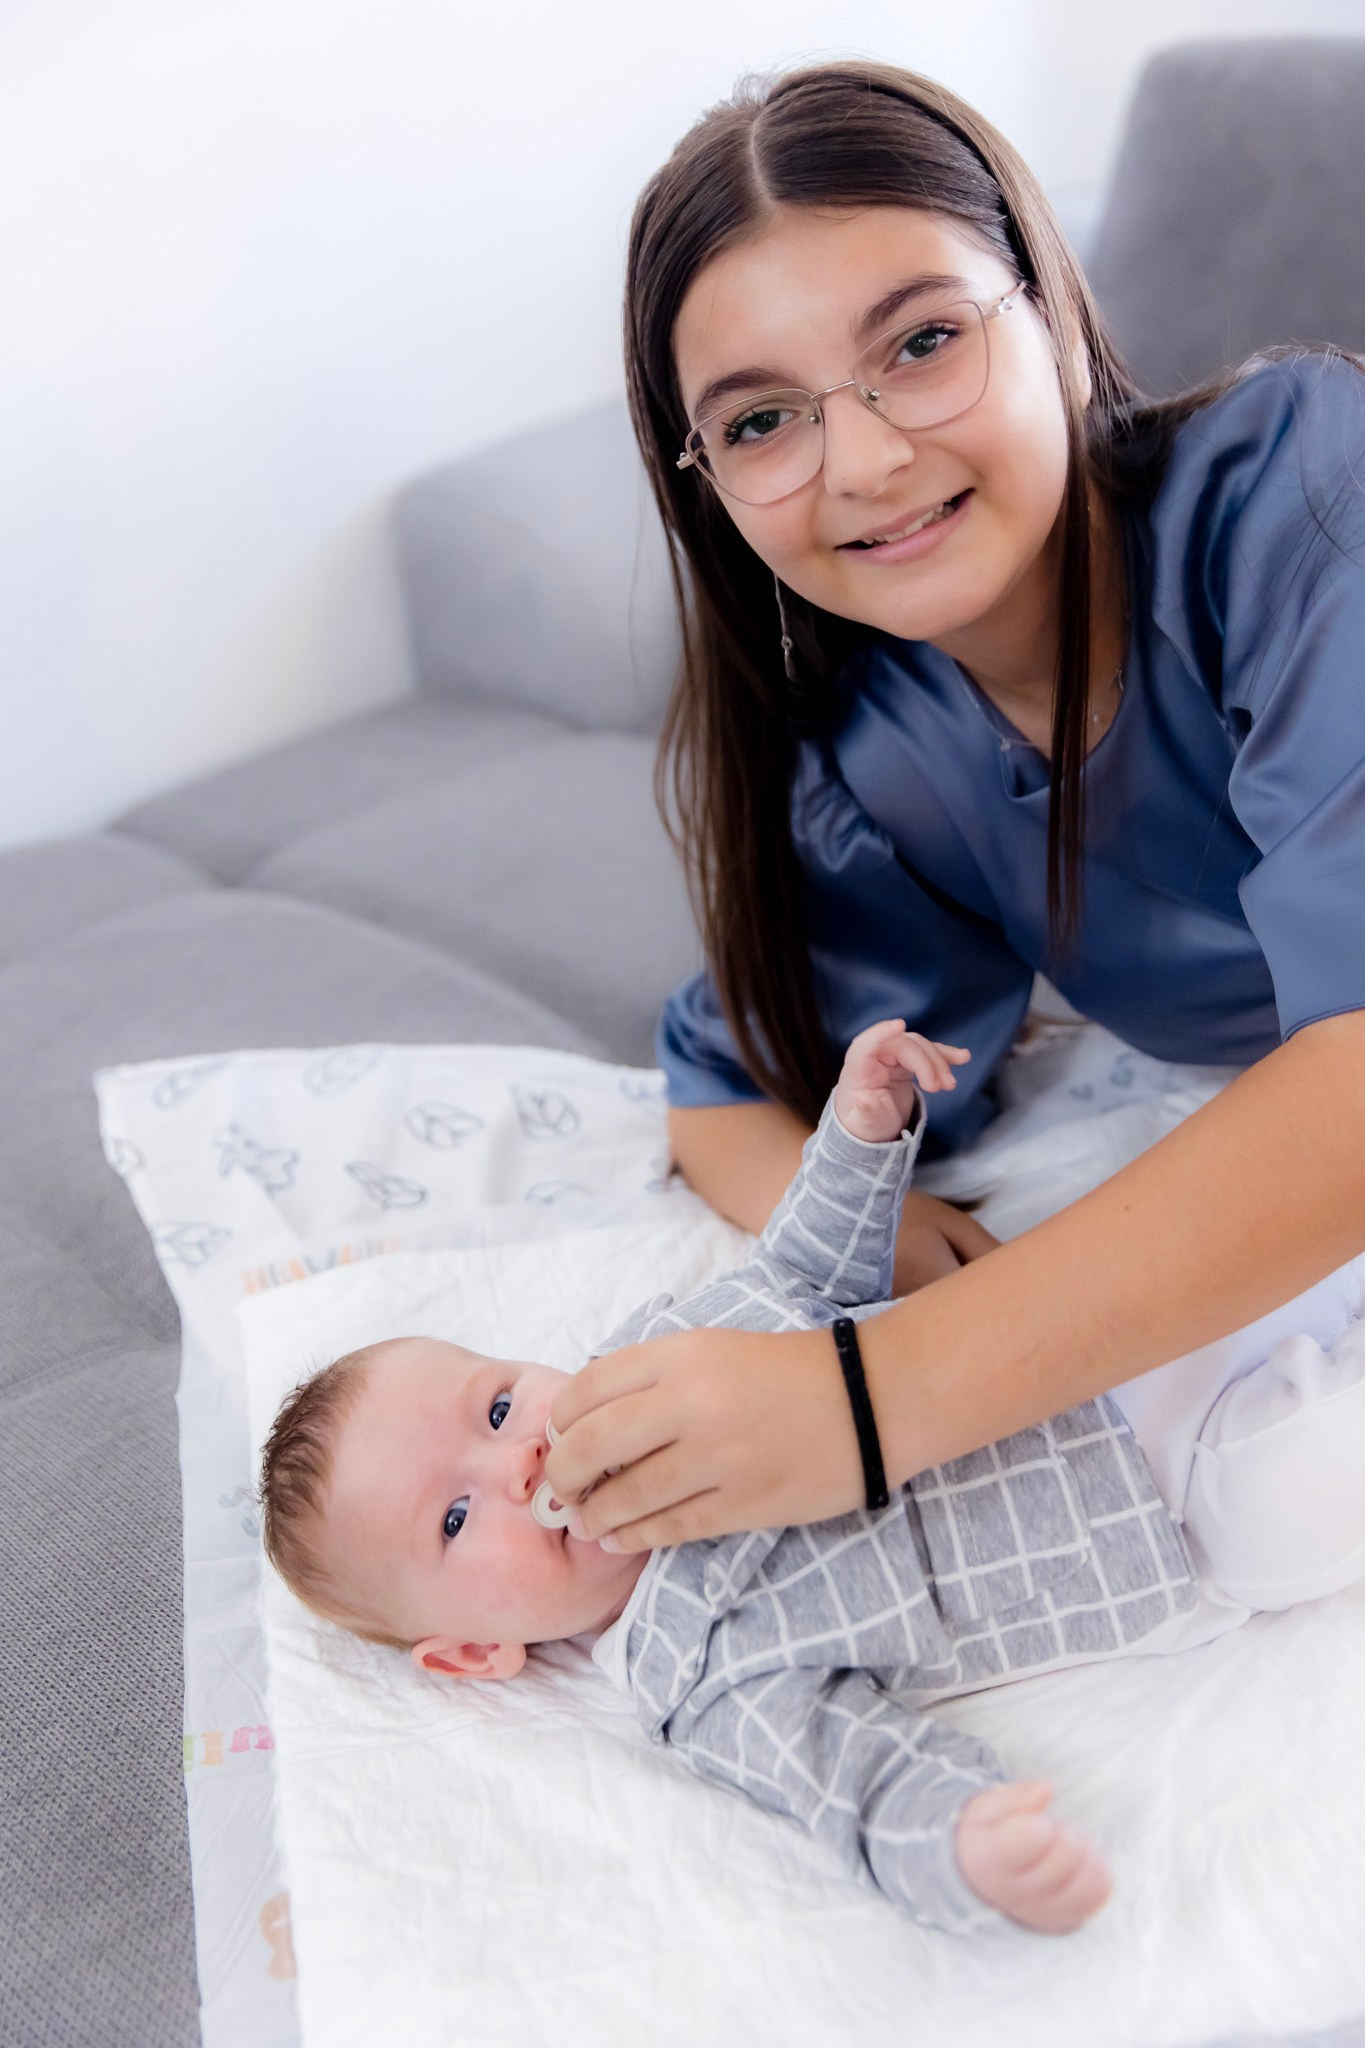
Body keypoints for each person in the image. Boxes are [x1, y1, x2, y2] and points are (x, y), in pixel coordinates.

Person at [538, 60, 1365, 1557]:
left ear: (1049, 308)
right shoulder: (884, 752)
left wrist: (863, 1401)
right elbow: (720, 1090)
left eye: (922, 342)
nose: (862, 461)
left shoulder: (1304, 494)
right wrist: (879, 1226)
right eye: (761, 422)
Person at [258, 1025, 1365, 1938]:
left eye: (499, 1407)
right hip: (1169, 1513)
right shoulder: (695, 1668)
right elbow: (847, 1773)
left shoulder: (650, 1368)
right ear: (471, 1652)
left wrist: (856, 1136)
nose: (519, 1462)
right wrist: (961, 1843)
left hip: (1086, 1329)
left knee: (1297, 1227)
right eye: (456, 1516)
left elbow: (794, 1274)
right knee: (1316, 1478)